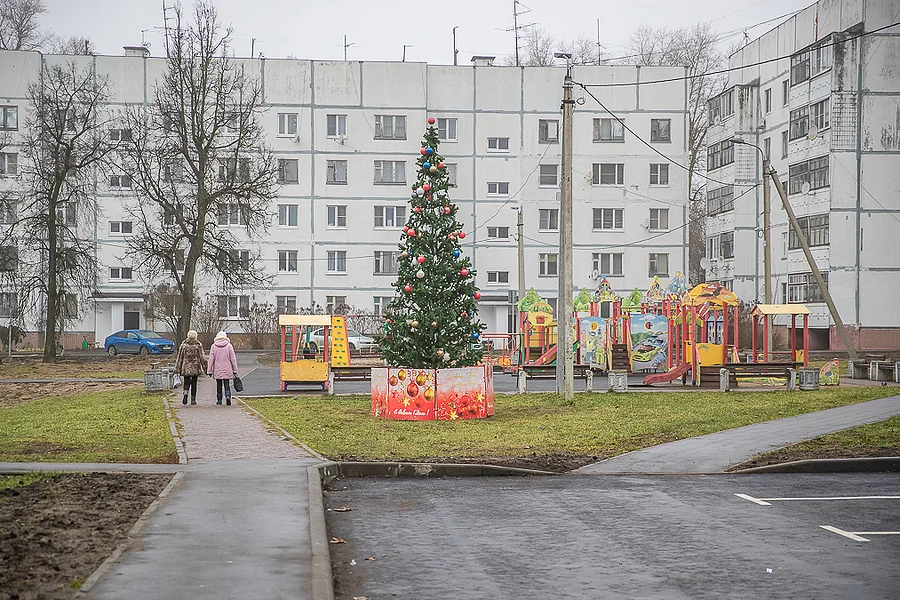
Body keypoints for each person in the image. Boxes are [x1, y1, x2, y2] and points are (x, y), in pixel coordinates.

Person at [174, 329, 207, 405]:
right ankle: (193, 399)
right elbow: (202, 358)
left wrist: (177, 369)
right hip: (195, 367)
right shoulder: (198, 345)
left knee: (186, 381)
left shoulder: (183, 345)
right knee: (194, 383)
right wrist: (206, 369)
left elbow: (180, 358)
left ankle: (185, 394)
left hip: (186, 367)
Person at [207, 331, 238, 405]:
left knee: (219, 384)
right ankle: (228, 397)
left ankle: (219, 400)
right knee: (226, 384)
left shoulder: (214, 346)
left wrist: (209, 371)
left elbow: (211, 359)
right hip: (227, 368)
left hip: (217, 369)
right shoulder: (229, 346)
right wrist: (235, 370)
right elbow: (233, 359)